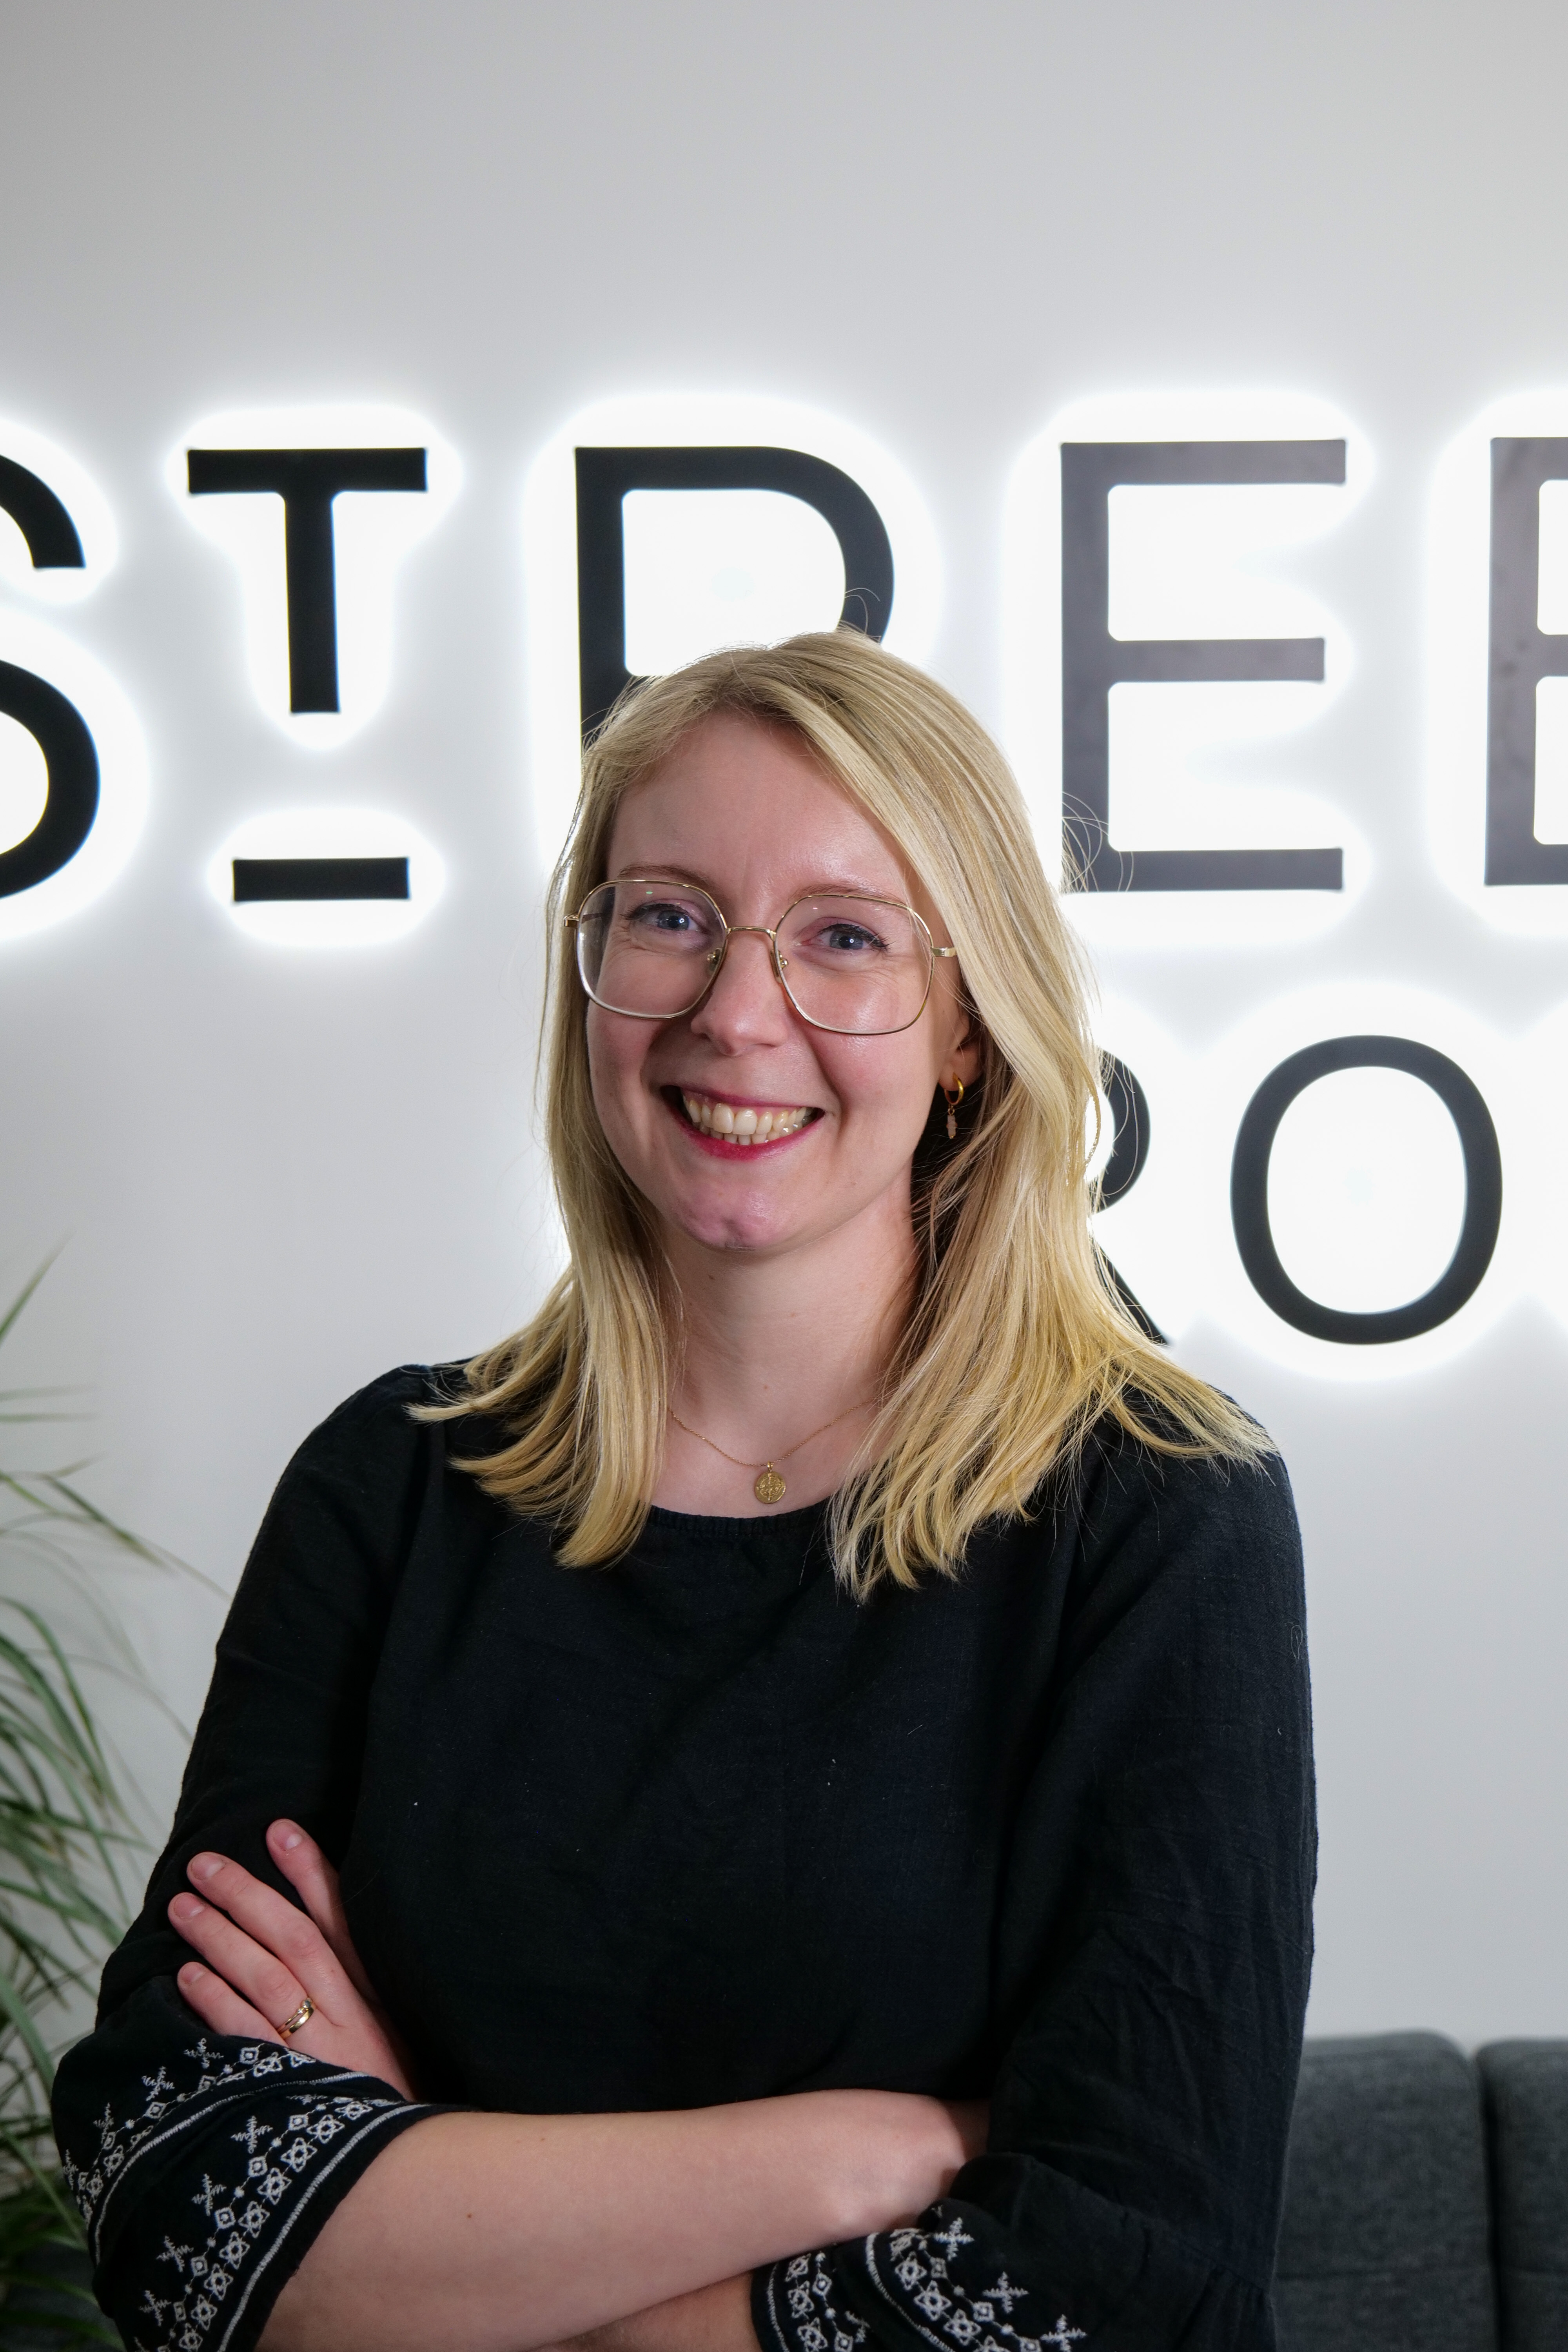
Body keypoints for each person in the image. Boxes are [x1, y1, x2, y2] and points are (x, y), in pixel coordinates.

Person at [54, 631, 1314, 2352]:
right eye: (669, 916)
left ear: (968, 1027)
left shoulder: (1160, 1515)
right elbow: (170, 2198)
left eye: (845, 937)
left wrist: (434, 2207)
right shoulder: (390, 1487)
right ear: (591, 971)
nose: (735, 1012)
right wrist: (864, 2158)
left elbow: (1129, 2283)